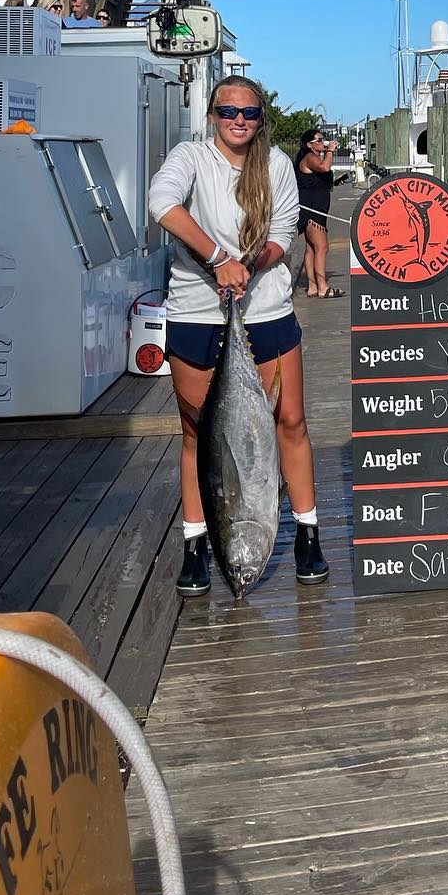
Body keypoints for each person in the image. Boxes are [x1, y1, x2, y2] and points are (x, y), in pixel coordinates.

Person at [148, 75, 328, 595]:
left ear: (261, 118)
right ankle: (195, 542)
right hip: (197, 310)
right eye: (228, 111)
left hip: (266, 306)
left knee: (290, 421)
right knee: (197, 433)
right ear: (212, 116)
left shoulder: (276, 165)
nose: (239, 121)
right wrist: (218, 259)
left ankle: (307, 532)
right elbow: (162, 203)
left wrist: (252, 263)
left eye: (249, 112)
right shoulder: (191, 157)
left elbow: (283, 232)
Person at [295, 126, 341, 299]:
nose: (323, 143)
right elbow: (324, 167)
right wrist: (330, 151)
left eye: (323, 140)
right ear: (309, 144)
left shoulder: (312, 158)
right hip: (312, 209)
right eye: (319, 140)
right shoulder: (309, 157)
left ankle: (313, 286)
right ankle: (322, 287)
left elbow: (318, 180)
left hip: (316, 208)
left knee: (311, 249)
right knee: (322, 247)